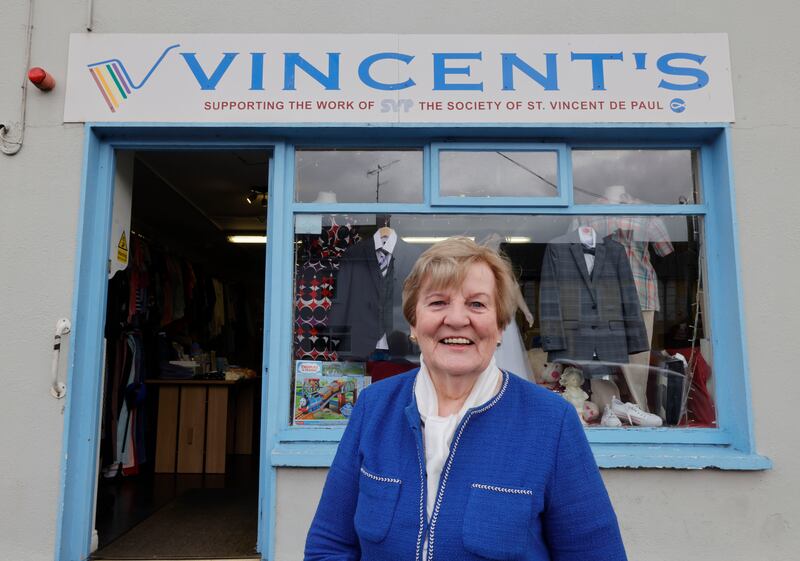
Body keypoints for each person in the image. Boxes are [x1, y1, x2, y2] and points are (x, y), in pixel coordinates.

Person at [304, 237, 627, 561]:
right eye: (438, 302)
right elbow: (329, 545)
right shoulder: (373, 408)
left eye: (476, 304)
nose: (457, 319)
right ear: (413, 322)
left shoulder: (551, 422)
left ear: (500, 326)